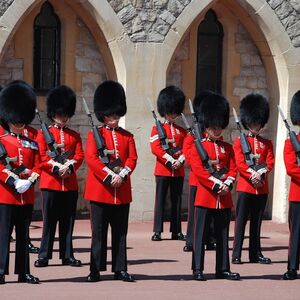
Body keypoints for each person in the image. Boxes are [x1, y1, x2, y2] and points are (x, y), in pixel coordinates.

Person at [84, 80, 138, 282]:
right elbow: (92, 159)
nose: (113, 119)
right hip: (100, 190)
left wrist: (122, 174)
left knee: (120, 233)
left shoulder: (127, 136)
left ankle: (120, 268)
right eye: (110, 116)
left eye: (116, 116)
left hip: (121, 191)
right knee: (98, 233)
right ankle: (95, 269)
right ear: (103, 115)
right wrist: (109, 176)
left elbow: (132, 158)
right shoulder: (95, 134)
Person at [189, 93, 240, 281]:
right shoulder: (198, 146)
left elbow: (233, 167)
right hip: (205, 196)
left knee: (223, 235)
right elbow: (199, 170)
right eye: (214, 127)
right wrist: (216, 182)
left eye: (219, 126)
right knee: (200, 235)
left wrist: (228, 182)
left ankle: (223, 268)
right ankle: (197, 268)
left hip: (223, 198)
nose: (217, 130)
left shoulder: (227, 147)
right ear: (206, 126)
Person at [34, 85, 84, 268]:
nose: (63, 117)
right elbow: (41, 157)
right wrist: (56, 167)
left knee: (68, 222)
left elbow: (79, 156)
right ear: (53, 113)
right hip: (51, 184)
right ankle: (44, 255)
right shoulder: (43, 134)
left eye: (65, 114)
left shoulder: (74, 135)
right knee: (49, 222)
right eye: (60, 114)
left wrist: (69, 167)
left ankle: (67, 255)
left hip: (69, 185)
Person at [0, 81, 40, 284]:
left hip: (26, 195)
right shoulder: (1, 139)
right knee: (4, 234)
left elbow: (39, 164)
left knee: (24, 235)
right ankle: (0, 270)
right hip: (6, 194)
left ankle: (23, 272)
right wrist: (12, 179)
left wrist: (30, 179)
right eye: (16, 120)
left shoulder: (32, 142)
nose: (19, 123)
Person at [232, 94, 274, 265]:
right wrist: (252, 175)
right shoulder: (239, 142)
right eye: (253, 123)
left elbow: (270, 161)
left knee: (256, 224)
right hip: (245, 187)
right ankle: (236, 254)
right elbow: (240, 163)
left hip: (261, 188)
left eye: (257, 123)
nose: (255, 126)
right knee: (240, 222)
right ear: (247, 123)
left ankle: (255, 253)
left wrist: (261, 173)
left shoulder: (267, 143)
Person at [150, 86, 186, 241]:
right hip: (163, 170)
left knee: (176, 201)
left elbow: (187, 149)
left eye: (175, 112)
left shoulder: (182, 131)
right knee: (160, 200)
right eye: (170, 111)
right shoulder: (156, 129)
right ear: (164, 111)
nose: (173, 115)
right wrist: (170, 160)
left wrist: (180, 160)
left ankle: (176, 231)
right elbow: (155, 148)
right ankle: (157, 230)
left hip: (178, 170)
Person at [183, 90, 216, 252]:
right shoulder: (193, 134)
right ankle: (191, 240)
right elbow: (188, 156)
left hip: (213, 178)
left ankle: (209, 239)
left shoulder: (213, 135)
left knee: (211, 212)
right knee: (195, 213)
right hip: (197, 179)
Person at [283, 90, 300, 280]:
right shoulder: (291, 143)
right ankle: (293, 266)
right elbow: (291, 168)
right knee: (296, 232)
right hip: (298, 194)